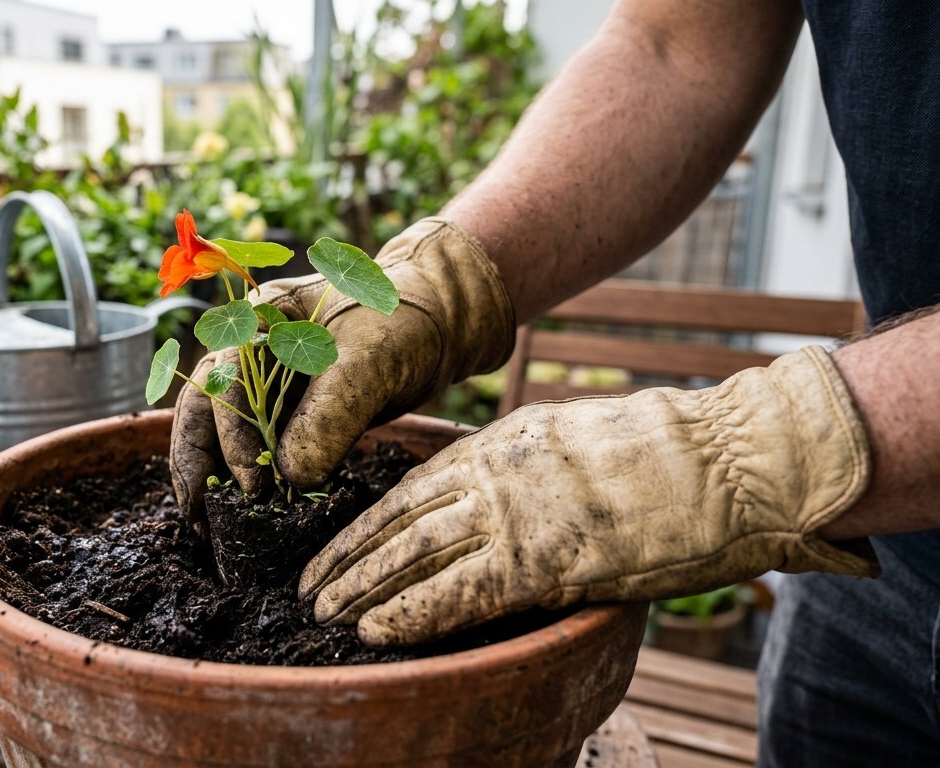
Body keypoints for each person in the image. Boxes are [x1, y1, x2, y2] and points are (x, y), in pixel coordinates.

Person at [170, 1, 940, 765]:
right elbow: (673, 48)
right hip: (885, 568)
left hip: (861, 484)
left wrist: (754, 448)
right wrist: (445, 280)